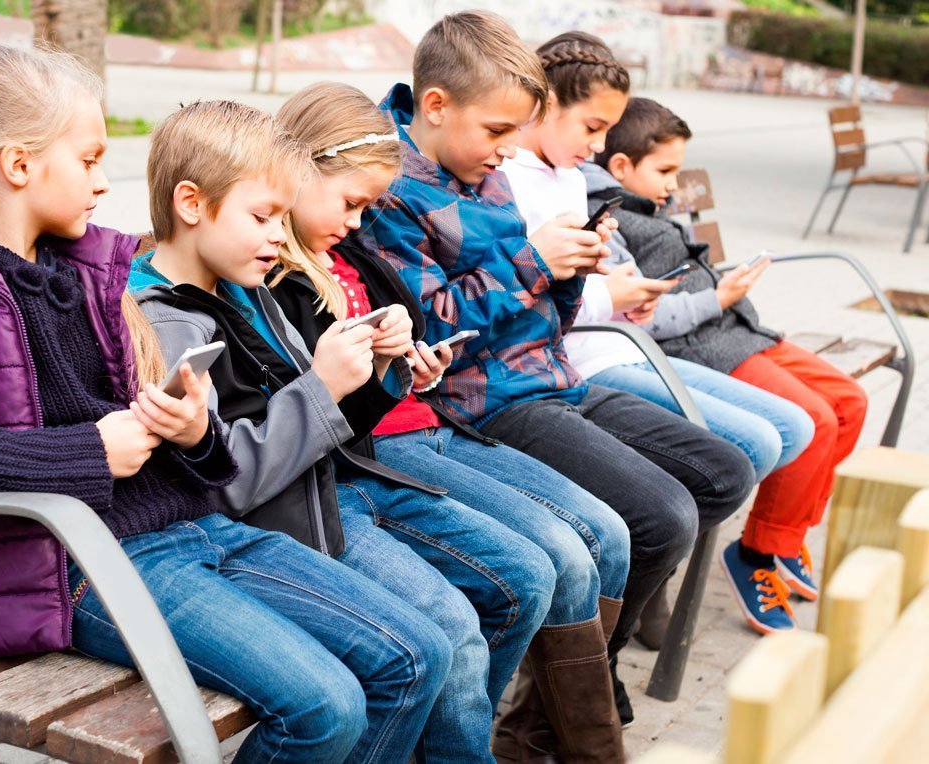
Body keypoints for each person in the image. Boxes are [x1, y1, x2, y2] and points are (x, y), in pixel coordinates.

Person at [0, 43, 449, 764]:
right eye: (87, 160)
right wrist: (92, 450)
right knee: (323, 708)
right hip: (84, 565)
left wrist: (192, 428)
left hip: (194, 527)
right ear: (18, 165)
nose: (102, 181)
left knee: (416, 656)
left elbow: (196, 455)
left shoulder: (84, 274)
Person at [358, 14, 757, 752]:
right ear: (437, 106)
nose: (508, 150)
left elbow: (535, 313)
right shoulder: (388, 187)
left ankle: (555, 709)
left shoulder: (485, 168)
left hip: (549, 372)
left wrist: (572, 268)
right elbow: (434, 331)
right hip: (478, 402)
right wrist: (534, 266)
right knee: (656, 516)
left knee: (722, 471)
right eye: (498, 130)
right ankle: (564, 720)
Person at [269, 79, 633, 763]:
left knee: (596, 539)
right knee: (517, 582)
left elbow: (475, 323)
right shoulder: (279, 270)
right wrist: (527, 266)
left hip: (440, 418)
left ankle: (540, 742)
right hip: (382, 451)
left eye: (367, 207)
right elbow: (305, 415)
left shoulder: (353, 252)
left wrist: (412, 364)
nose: (358, 220)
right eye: (352, 204)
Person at [504, 38, 815, 648]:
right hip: (581, 359)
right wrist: (609, 295)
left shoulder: (569, 178)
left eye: (607, 131)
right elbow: (530, 303)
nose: (596, 148)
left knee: (783, 433)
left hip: (619, 344)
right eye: (593, 128)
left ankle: (650, 582)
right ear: (543, 104)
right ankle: (634, 606)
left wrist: (616, 290)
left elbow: (566, 290)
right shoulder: (506, 176)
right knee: (741, 450)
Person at [587, 96, 868, 634]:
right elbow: (647, 311)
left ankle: (788, 534)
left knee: (851, 401)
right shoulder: (610, 218)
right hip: (702, 344)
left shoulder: (648, 206)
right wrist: (717, 296)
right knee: (817, 419)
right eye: (664, 170)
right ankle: (760, 552)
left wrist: (727, 291)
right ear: (621, 166)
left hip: (739, 329)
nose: (673, 182)